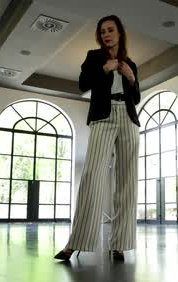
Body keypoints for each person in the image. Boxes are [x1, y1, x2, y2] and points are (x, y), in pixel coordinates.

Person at [54, 15, 141, 261]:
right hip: (103, 117)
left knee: (127, 181)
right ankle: (75, 243)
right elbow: (83, 84)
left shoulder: (131, 63)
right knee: (92, 176)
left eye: (110, 30)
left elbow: (136, 98)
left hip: (128, 117)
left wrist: (131, 78)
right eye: (102, 31)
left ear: (120, 33)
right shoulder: (94, 57)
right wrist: (105, 69)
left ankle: (119, 244)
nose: (106, 34)